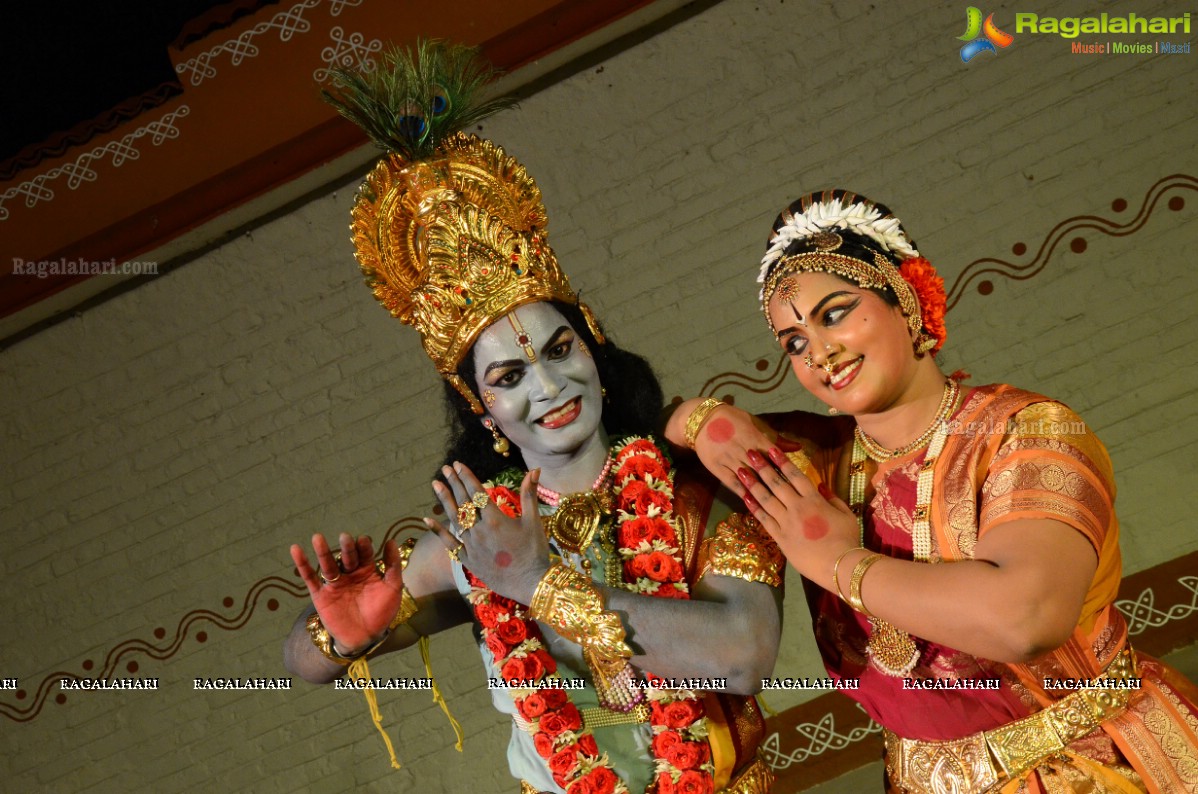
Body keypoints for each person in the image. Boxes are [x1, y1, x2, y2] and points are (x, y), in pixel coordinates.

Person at [283, 42, 782, 794]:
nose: (548, 386)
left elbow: (744, 651)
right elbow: (305, 663)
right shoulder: (477, 534)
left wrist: (538, 582)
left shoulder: (692, 491)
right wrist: (343, 632)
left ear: (595, 351)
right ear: (481, 407)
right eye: (510, 376)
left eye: (559, 350)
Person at [666, 189, 1198, 793]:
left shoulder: (1024, 431)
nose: (819, 352)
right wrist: (707, 420)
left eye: (835, 312)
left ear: (908, 299)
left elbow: (1025, 618)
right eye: (793, 341)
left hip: (1088, 766)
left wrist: (838, 563)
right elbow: (668, 431)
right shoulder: (822, 456)